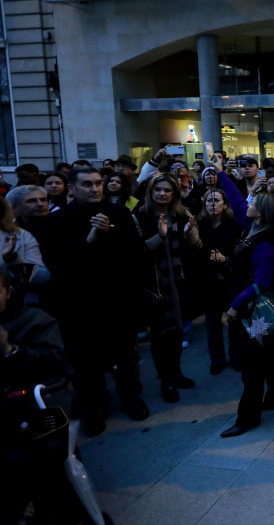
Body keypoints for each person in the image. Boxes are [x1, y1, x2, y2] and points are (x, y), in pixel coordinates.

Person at [42, 167, 147, 436]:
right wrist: (89, 240)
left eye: (98, 183)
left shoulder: (119, 213)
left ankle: (130, 398)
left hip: (117, 301)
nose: (95, 189)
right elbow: (58, 264)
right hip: (80, 305)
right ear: (72, 189)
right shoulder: (58, 221)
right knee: (87, 362)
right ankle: (96, 407)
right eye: (87, 184)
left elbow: (135, 252)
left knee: (126, 356)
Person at [217, 166, 274, 438]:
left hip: (257, 313)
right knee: (270, 355)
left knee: (252, 365)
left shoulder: (265, 245)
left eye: (252, 203)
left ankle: (248, 416)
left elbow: (260, 284)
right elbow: (236, 201)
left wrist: (234, 305)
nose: (246, 204)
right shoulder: (254, 227)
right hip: (258, 309)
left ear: (259, 212)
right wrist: (221, 173)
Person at [133, 173, 199, 403]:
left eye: (167, 190)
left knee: (178, 331)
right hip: (155, 284)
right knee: (160, 335)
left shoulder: (182, 215)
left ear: (175, 193)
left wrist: (192, 235)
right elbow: (135, 252)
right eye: (157, 190)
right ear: (150, 192)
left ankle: (176, 372)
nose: (162, 194)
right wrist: (159, 237)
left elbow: (196, 247)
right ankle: (166, 379)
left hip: (180, 281)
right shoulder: (140, 216)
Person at [196, 188, 243, 375]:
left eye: (216, 200)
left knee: (233, 319)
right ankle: (217, 359)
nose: (212, 204)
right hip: (209, 280)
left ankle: (236, 356)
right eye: (209, 201)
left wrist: (226, 259)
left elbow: (240, 252)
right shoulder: (199, 225)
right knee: (212, 322)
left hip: (230, 278)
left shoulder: (234, 225)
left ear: (224, 204)